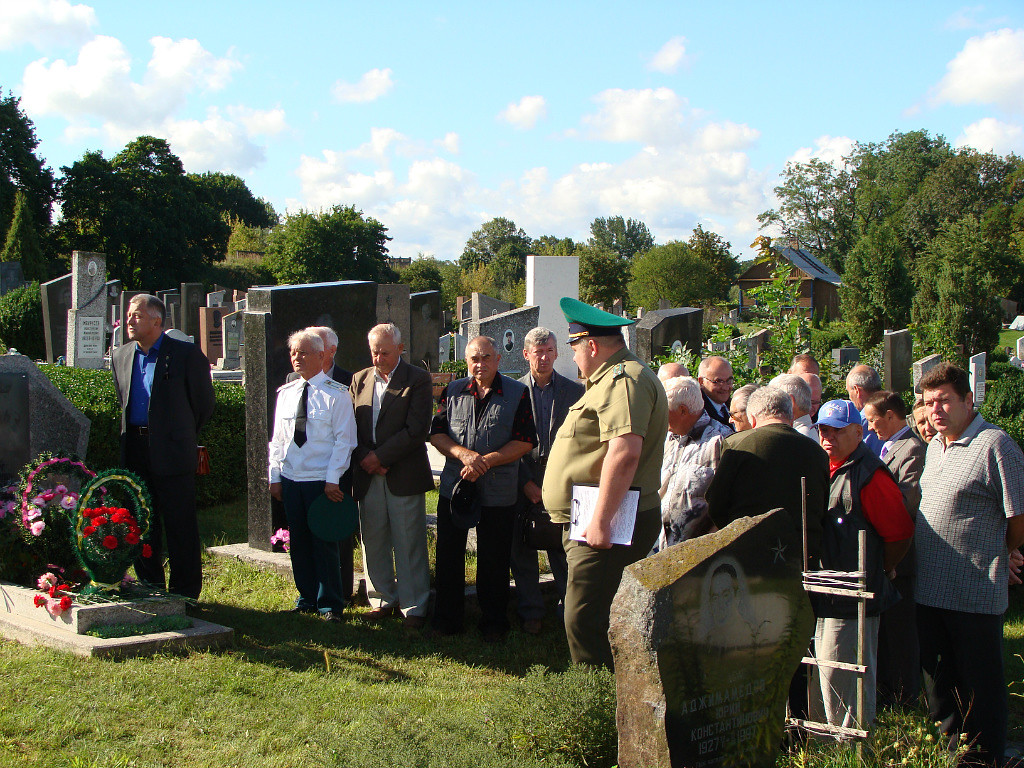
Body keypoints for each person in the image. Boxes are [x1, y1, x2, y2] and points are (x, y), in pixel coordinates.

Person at [542, 297, 668, 668]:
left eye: (574, 348)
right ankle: (603, 690)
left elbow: (625, 452)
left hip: (607, 520)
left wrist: (600, 521)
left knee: (585, 619)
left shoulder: (623, 380)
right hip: (596, 515)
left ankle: (597, 696)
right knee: (588, 614)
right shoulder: (610, 379)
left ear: (592, 346)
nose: (574, 358)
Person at [916, 363, 1024, 766]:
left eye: (944, 400)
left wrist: (1003, 549)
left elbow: (1018, 516)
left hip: (974, 591)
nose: (935, 410)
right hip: (930, 589)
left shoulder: (995, 445)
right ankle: (950, 756)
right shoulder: (935, 446)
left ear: (967, 399)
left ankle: (986, 759)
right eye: (929, 402)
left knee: (980, 688)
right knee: (940, 685)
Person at [705, 385, 829, 724]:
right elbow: (821, 508)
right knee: (796, 648)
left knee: (751, 647)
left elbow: (717, 504)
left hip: (750, 565)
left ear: (753, 416)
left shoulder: (738, 445)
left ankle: (753, 725)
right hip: (800, 565)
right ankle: (799, 726)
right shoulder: (816, 452)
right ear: (790, 413)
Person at [814, 399, 913, 733]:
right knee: (826, 676)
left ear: (858, 432)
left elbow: (899, 534)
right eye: (823, 430)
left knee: (845, 682)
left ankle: (853, 749)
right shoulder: (824, 467)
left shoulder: (870, 475)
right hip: (825, 593)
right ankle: (828, 749)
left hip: (853, 599)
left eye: (837, 431)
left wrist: (879, 569)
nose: (828, 437)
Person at [430, 336, 536, 641]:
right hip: (456, 487)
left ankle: (493, 623)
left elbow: (525, 441)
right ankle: (447, 620)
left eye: (486, 357)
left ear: (498, 359)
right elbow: (437, 434)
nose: (480, 364)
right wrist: (464, 455)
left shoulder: (517, 393)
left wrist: (485, 461)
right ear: (466, 361)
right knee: (449, 555)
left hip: (498, 491)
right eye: (474, 359)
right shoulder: (452, 391)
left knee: (494, 558)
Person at [112, 294, 215, 600]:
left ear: (156, 320)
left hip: (172, 451)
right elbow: (123, 399)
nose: (130, 321)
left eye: (137, 315)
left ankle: (185, 593)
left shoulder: (184, 354)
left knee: (179, 524)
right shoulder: (121, 356)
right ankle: (150, 586)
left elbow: (203, 404)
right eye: (129, 316)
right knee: (142, 522)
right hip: (135, 448)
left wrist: (179, 434)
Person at [268, 329, 357, 622]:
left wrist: (333, 478)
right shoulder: (286, 394)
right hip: (292, 478)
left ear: (321, 356)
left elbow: (345, 441)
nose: (297, 358)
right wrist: (275, 475)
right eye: (293, 352)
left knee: (324, 543)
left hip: (321, 480)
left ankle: (330, 603)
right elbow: (278, 439)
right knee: (299, 542)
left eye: (303, 353)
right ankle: (306, 598)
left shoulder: (337, 394)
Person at [349, 323, 434, 629]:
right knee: (373, 540)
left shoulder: (417, 379)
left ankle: (414, 605)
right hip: (367, 473)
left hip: (403, 473)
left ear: (400, 348)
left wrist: (381, 458)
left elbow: (416, 429)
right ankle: (381, 598)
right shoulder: (359, 379)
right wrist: (366, 458)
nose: (379, 358)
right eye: (374, 352)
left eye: (385, 352)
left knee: (408, 542)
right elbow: (350, 426)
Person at [512, 327, 583, 634]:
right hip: (524, 476)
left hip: (562, 480)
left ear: (557, 353)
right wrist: (525, 482)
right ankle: (531, 611)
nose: (544, 357)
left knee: (564, 549)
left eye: (549, 351)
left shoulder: (575, 392)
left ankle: (571, 613)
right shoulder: (513, 392)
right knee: (522, 549)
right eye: (538, 352)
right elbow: (505, 439)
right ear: (526, 354)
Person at [862, 390, 926, 709]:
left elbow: (906, 501)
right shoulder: (889, 446)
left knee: (901, 632)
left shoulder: (912, 448)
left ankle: (905, 697)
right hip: (887, 551)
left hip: (903, 554)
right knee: (887, 632)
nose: (870, 427)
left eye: (873, 420)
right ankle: (888, 691)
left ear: (890, 416)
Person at [659, 376, 731, 548]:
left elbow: (728, 501)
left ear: (683, 411)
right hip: (660, 546)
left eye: (663, 410)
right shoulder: (667, 438)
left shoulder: (720, 440)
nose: (659, 416)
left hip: (699, 550)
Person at [845, 365, 884, 456]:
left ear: (857, 390)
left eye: (849, 392)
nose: (849, 398)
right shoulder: (892, 411)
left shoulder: (860, 421)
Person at [769, 373, 817, 442]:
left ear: (790, 402)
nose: (769, 408)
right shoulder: (807, 433)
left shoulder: (796, 439)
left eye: (773, 401)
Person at [697, 356, 734, 430]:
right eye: (718, 381)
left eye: (729, 381)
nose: (725, 387)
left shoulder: (733, 407)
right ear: (701, 382)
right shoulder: (698, 414)